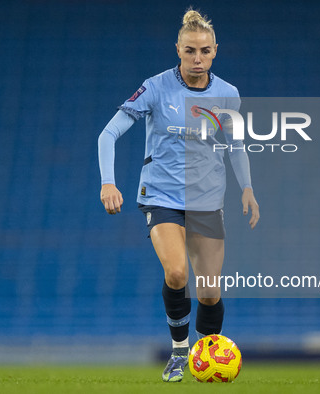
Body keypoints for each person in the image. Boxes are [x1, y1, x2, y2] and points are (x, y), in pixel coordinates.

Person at [98, 9, 259, 382]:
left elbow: (236, 146)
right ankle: (179, 352)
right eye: (190, 51)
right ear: (178, 50)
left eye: (204, 51)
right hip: (161, 197)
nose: (197, 59)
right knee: (176, 272)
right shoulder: (155, 88)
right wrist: (108, 181)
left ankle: (209, 356)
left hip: (207, 201)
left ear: (215, 51)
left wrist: (247, 188)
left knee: (208, 292)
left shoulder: (228, 94)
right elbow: (108, 134)